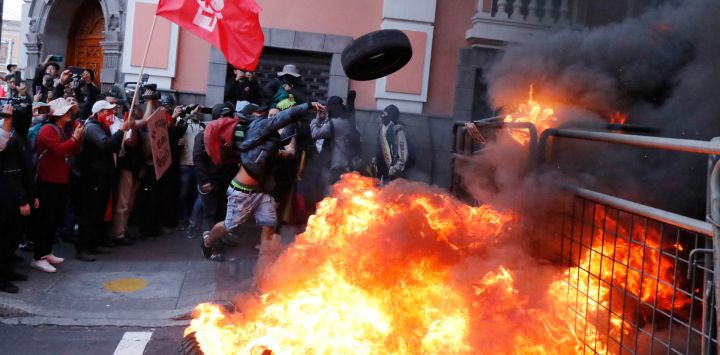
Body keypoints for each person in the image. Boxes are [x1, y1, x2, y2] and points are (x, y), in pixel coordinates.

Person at [201, 101, 326, 261]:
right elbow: (284, 117)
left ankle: (264, 263)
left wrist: (287, 149)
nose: (266, 116)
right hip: (242, 192)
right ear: (251, 117)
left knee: (269, 223)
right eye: (260, 113)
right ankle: (207, 242)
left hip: (260, 192)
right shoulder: (257, 127)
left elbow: (271, 152)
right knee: (229, 225)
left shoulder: (261, 136)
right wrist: (307, 105)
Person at [75, 100, 132, 261]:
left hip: (103, 175)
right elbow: (105, 145)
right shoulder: (93, 127)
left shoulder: (102, 127)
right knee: (90, 213)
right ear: (98, 113)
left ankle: (94, 243)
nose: (111, 114)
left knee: (98, 212)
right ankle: (83, 248)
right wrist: (121, 132)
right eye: (107, 111)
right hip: (93, 177)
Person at [32, 98, 84, 271]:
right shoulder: (47, 129)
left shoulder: (64, 129)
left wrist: (77, 138)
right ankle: (39, 256)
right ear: (58, 114)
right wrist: (75, 138)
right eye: (67, 111)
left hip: (61, 180)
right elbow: (60, 149)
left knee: (54, 218)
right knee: (45, 219)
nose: (70, 113)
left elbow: (73, 150)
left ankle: (47, 251)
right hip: (47, 181)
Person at [0, 104, 35, 292]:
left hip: (17, 195)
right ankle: (2, 278)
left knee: (13, 238)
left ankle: (8, 271)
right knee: (5, 239)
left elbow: (26, 170)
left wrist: (30, 195)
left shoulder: (19, 138)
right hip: (8, 197)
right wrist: (22, 199)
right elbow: (11, 172)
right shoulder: (11, 140)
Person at [310, 95, 362, 186]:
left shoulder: (334, 123)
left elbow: (315, 134)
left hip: (333, 166)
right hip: (347, 166)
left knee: (329, 193)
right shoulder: (349, 123)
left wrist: (316, 118)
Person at [175, 104, 204, 230]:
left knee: (196, 194)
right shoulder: (183, 123)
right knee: (183, 194)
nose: (197, 113)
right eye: (195, 111)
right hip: (185, 164)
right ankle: (182, 220)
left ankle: (193, 221)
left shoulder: (204, 126)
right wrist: (189, 114)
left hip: (198, 165)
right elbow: (178, 125)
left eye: (199, 111)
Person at [374, 104, 408, 182]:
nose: (382, 116)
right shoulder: (382, 127)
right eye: (383, 114)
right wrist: (375, 159)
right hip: (380, 166)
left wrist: (396, 168)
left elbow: (402, 152)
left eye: (385, 114)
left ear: (392, 117)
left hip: (392, 169)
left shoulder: (399, 131)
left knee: (389, 191)